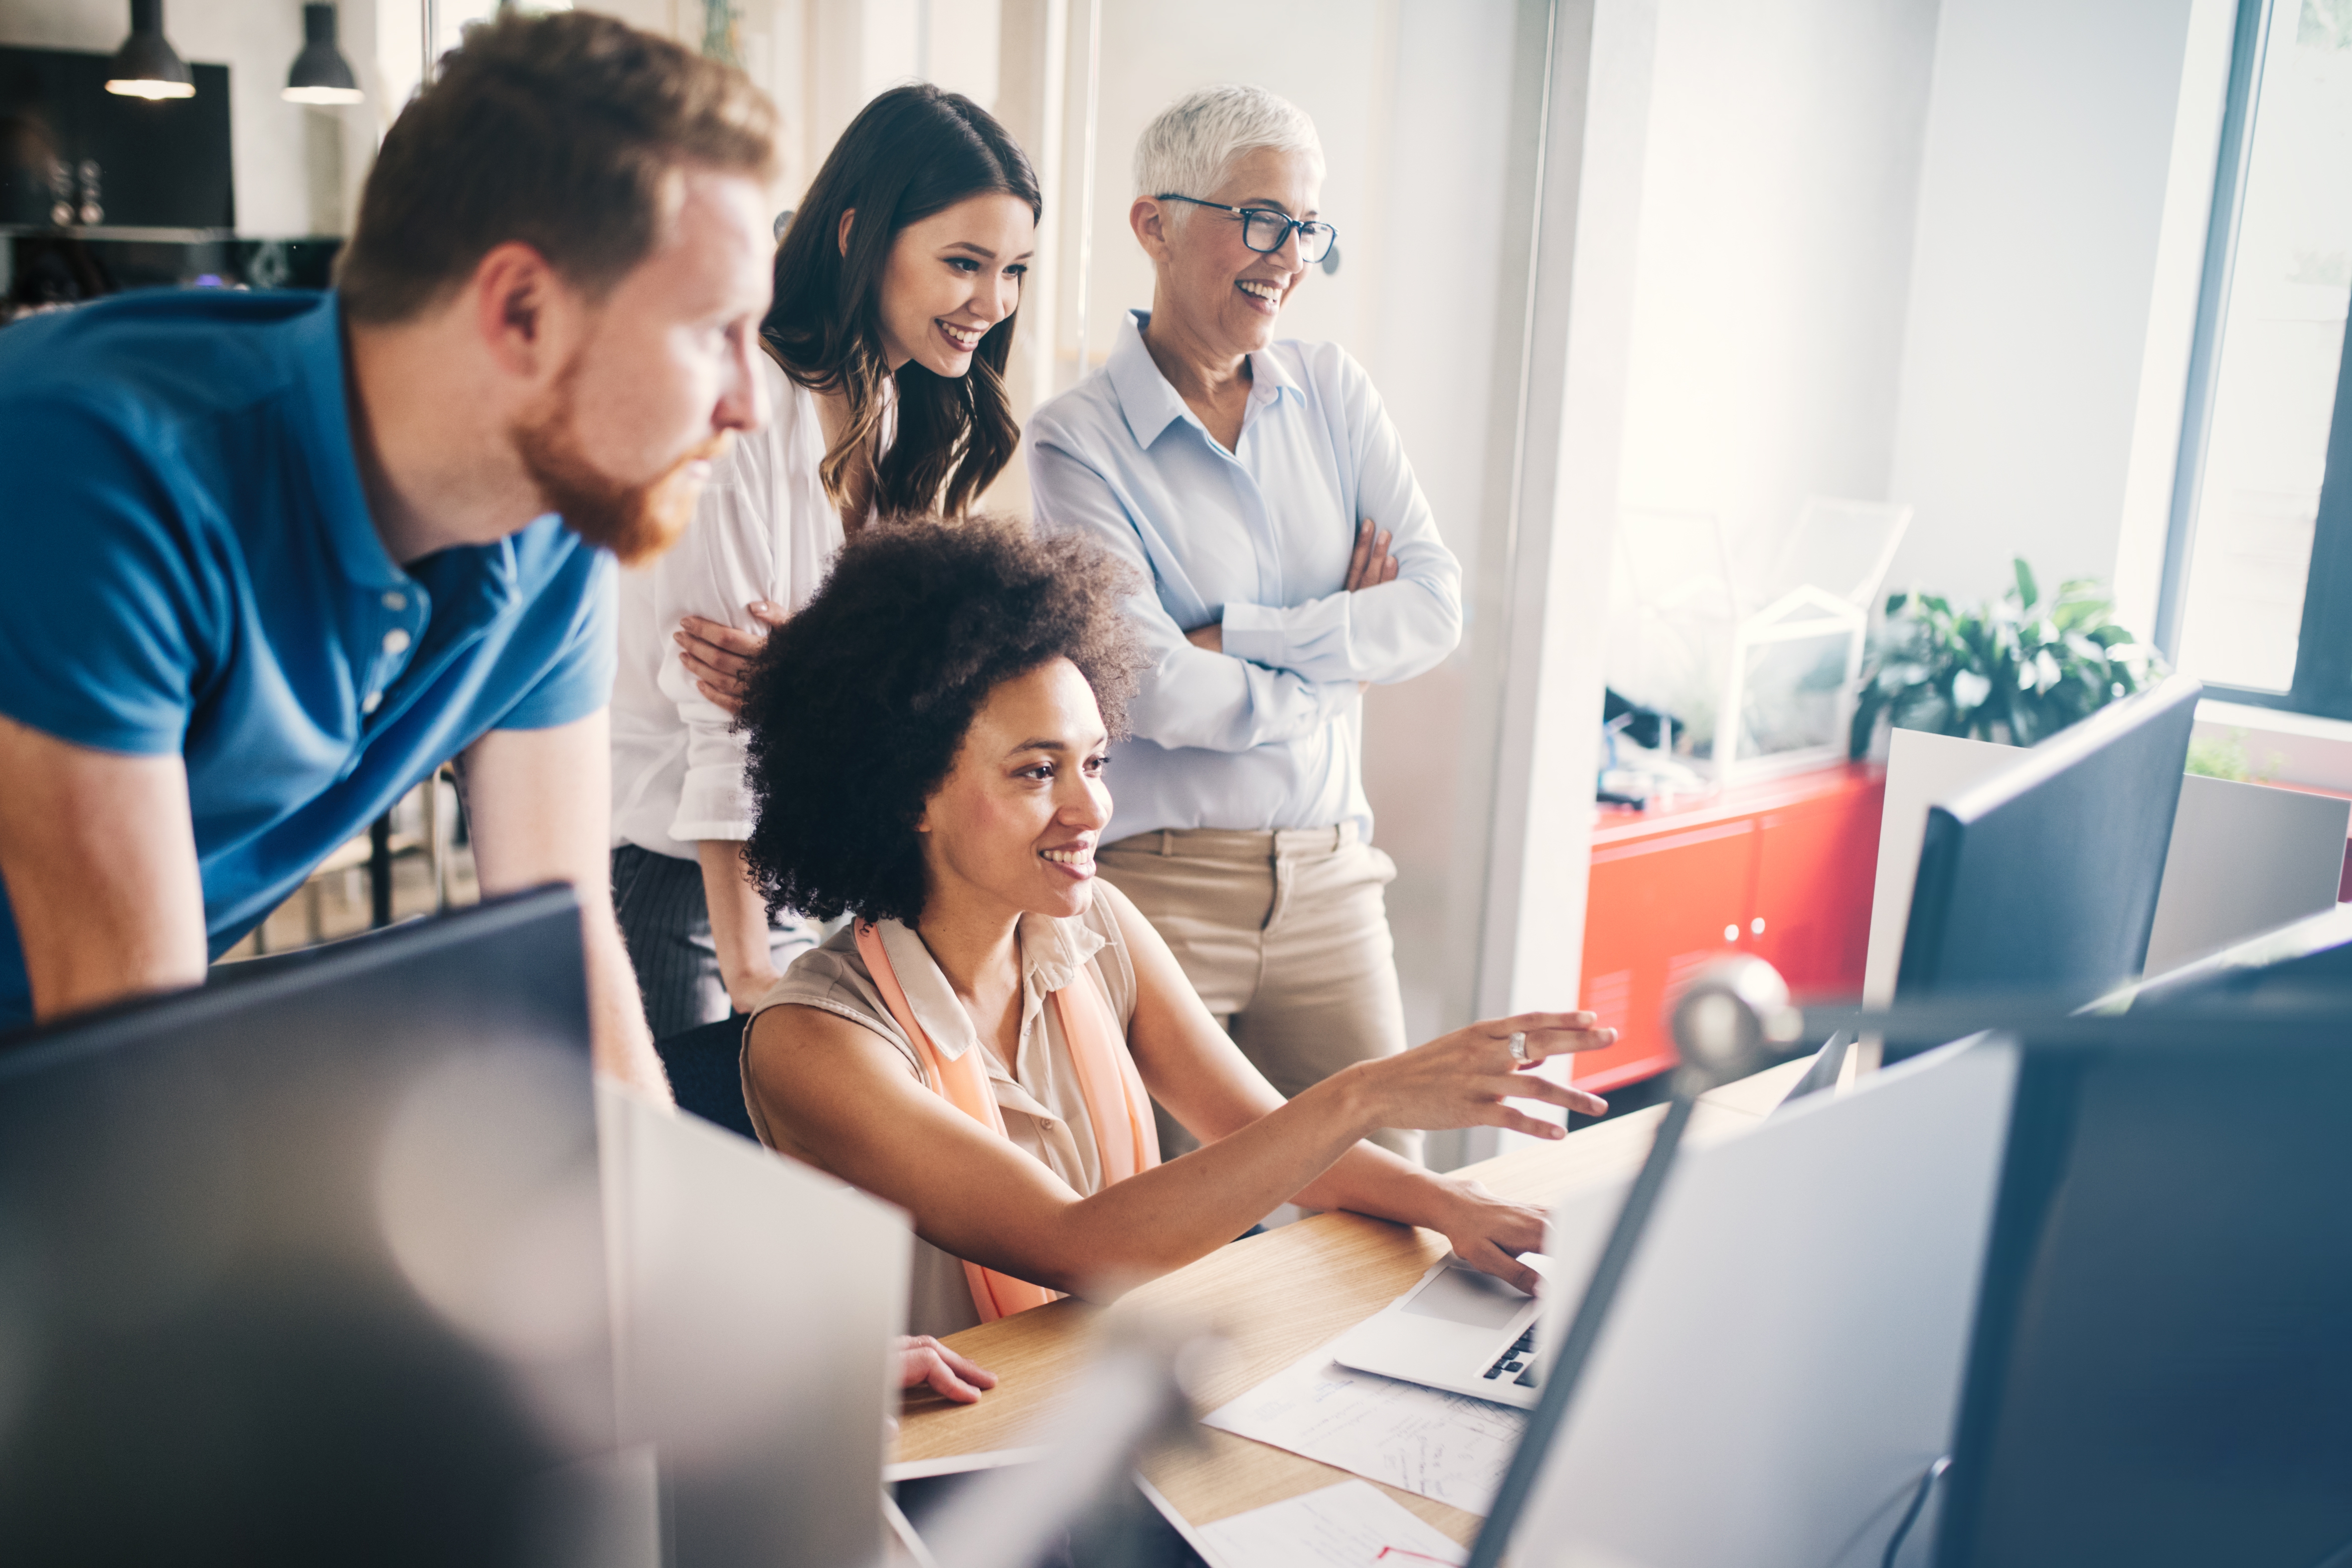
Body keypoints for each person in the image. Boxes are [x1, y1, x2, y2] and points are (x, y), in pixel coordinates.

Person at [0, 11, 778, 1097]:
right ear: (521, 312)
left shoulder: (553, 520)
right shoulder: (102, 468)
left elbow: (566, 952)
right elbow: (131, 1056)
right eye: (713, 332)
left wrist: (655, 1224)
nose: (750, 403)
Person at [735, 516, 1613, 1339]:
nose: (1091, 809)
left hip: (1096, 1406)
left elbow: (1253, 1129)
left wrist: (1445, 1204)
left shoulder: (1098, 927)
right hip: (935, 1467)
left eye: (1094, 762)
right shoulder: (814, 1040)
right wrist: (1365, 1095)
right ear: (904, 796)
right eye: (1038, 771)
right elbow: (1079, 1245)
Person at [1023, 85, 1461, 1163]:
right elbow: (1155, 688)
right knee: (1168, 1234)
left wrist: (1244, 633)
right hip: (1159, 888)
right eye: (1260, 218)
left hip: (1331, 878)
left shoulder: (1334, 391)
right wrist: (1338, 648)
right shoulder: (1075, 441)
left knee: (1383, 1208)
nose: (1288, 255)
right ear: (1154, 224)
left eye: (1307, 227)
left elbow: (1434, 608)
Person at [609, 84, 1039, 1037]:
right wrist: (751, 964)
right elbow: (717, 706)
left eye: (1013, 270)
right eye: (963, 263)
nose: (992, 302)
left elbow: (887, 678)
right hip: (686, 883)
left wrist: (805, 682)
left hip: (794, 869)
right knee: (682, 1175)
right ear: (857, 235)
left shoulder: (885, 402)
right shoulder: (748, 400)